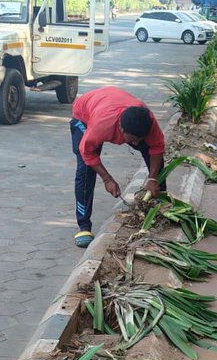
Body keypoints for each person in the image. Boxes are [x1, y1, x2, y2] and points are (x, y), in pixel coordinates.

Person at [70, 87, 165, 248]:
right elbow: (87, 153)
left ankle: (158, 204)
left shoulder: (147, 120)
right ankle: (84, 226)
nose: (134, 144)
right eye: (132, 139)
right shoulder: (101, 126)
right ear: (121, 130)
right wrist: (107, 179)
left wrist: (153, 178)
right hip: (85, 114)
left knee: (151, 154)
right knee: (85, 170)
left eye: (138, 139)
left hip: (112, 103)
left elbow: (157, 147)